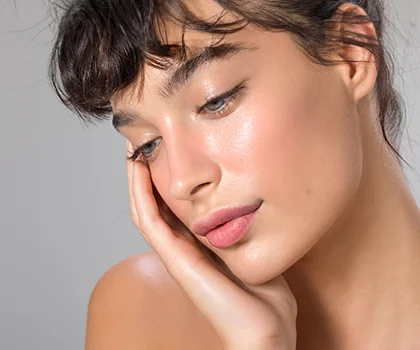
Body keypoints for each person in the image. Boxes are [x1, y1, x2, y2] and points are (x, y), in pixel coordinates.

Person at [49, 0, 420, 348]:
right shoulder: (144, 314)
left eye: (215, 100)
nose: (182, 181)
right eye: (148, 144)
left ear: (349, 54)